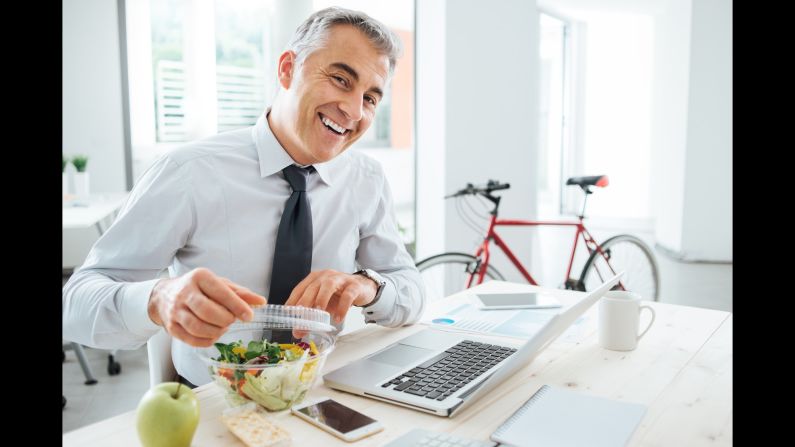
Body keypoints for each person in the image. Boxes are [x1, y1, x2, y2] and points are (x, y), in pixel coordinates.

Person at [62, 7, 426, 387]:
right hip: (214, 400)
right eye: (339, 79)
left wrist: (368, 286)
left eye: (370, 98)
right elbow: (76, 304)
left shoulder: (366, 179)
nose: (353, 111)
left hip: (320, 392)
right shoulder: (189, 172)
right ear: (287, 69)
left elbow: (411, 290)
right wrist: (158, 298)